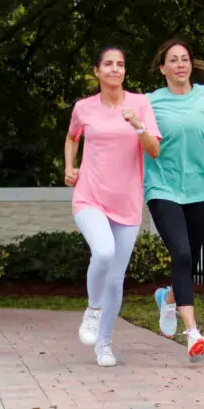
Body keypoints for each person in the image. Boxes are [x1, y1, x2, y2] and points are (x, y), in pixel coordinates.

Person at [144, 39, 204, 361]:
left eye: (185, 59)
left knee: (191, 259)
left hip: (200, 188)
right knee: (181, 252)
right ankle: (193, 332)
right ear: (163, 68)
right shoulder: (150, 102)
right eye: (173, 60)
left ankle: (167, 298)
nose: (181, 64)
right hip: (162, 188)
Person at [65, 47, 161, 366]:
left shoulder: (141, 104)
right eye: (108, 64)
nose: (115, 69)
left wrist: (138, 125)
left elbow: (154, 151)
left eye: (120, 64)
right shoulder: (84, 108)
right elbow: (72, 137)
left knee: (116, 279)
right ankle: (93, 311)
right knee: (103, 252)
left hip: (128, 202)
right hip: (89, 196)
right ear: (97, 71)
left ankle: (104, 343)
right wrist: (69, 167)